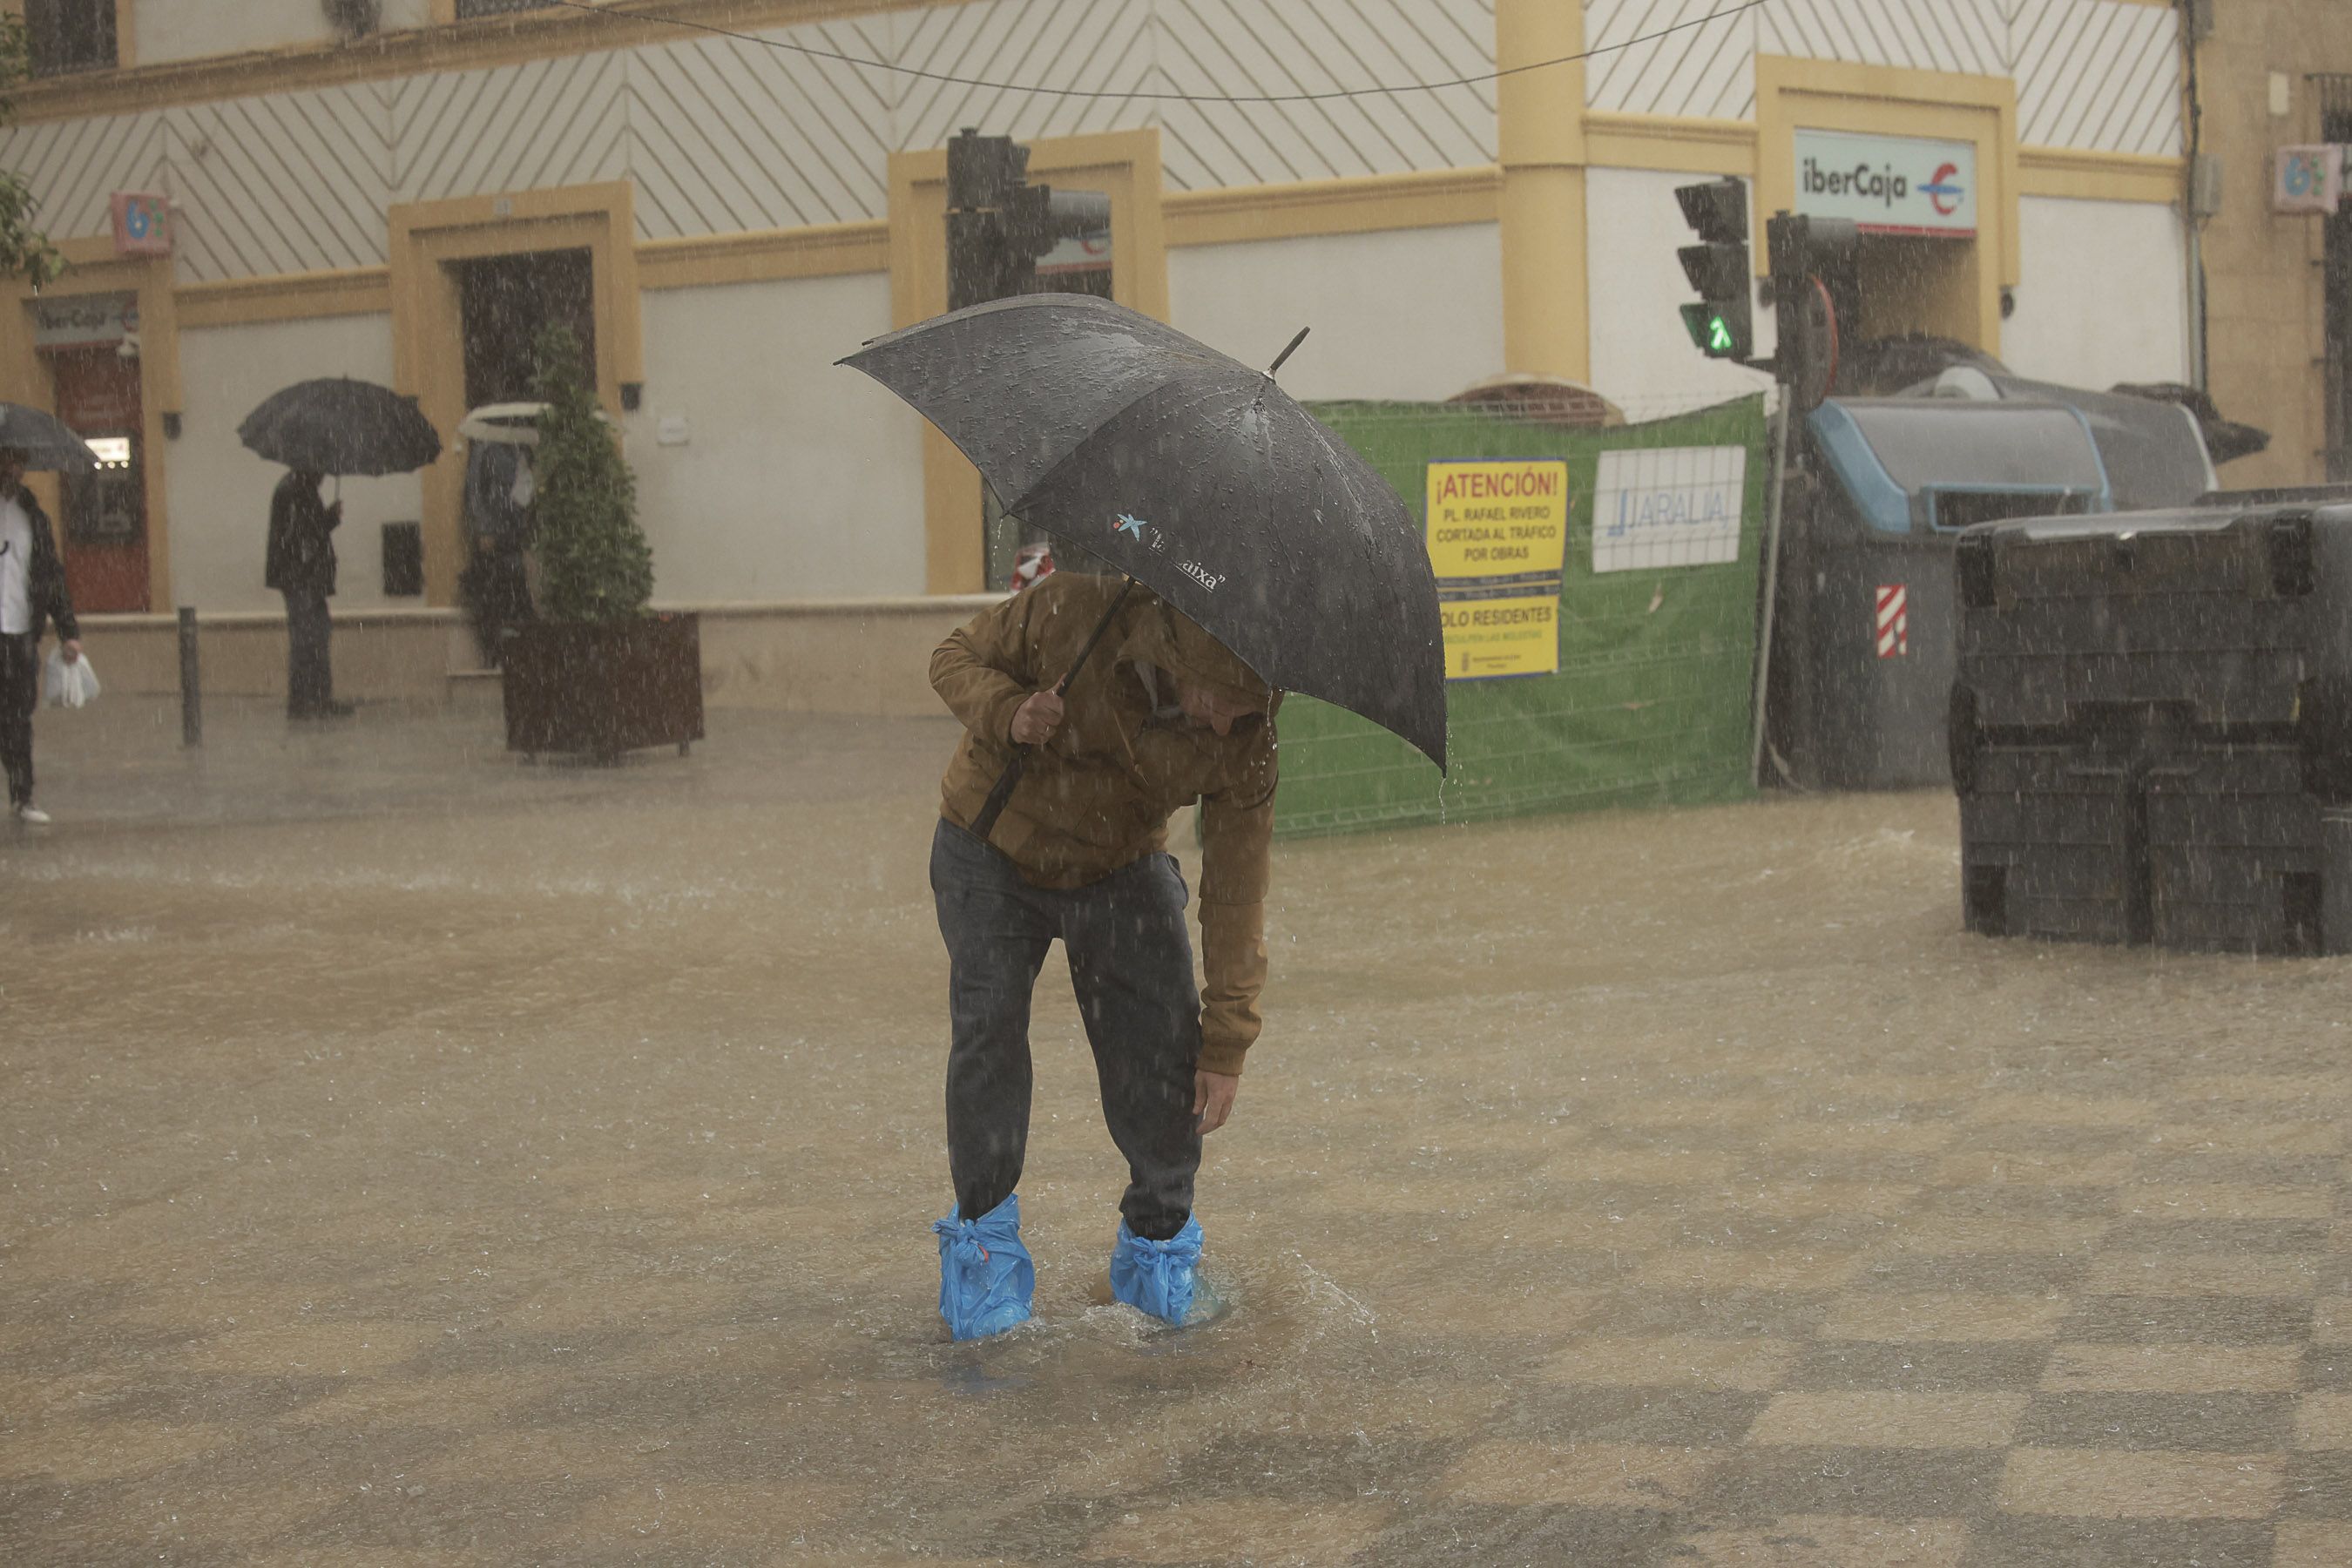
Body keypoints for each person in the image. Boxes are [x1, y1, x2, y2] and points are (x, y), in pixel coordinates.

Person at [926, 571, 1278, 1339]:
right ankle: (983, 1257)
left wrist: (1229, 1040)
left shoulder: (1249, 738)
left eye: (1247, 714)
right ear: (1187, 654)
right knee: (989, 1031)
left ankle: (1157, 1256)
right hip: (991, 849)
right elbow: (952, 656)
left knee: (1163, 1051)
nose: (1224, 728)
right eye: (1220, 700)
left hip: (1118, 866)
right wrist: (1009, 711)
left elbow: (1236, 893)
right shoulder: (1081, 608)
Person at [0, 444, 82, 826]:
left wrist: (68, 631)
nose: (11, 468)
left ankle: (23, 795)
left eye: (17, 461)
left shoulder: (33, 517)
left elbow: (51, 577)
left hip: (19, 634)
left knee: (18, 718)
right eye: (4, 460)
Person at [264, 468, 349, 719]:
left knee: (319, 634)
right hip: (300, 577)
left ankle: (320, 698)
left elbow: (308, 530)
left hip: (310, 577)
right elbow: (296, 536)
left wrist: (326, 519)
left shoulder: (303, 489)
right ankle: (302, 702)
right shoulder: (292, 490)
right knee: (305, 639)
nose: (325, 475)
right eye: (321, 468)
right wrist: (327, 520)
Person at [460, 437, 535, 667]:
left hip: (515, 533)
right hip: (494, 533)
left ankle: (516, 650)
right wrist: (484, 528)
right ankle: (496, 652)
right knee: (494, 593)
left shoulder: (522, 449)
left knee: (516, 588)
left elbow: (526, 487)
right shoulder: (484, 449)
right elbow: (474, 490)